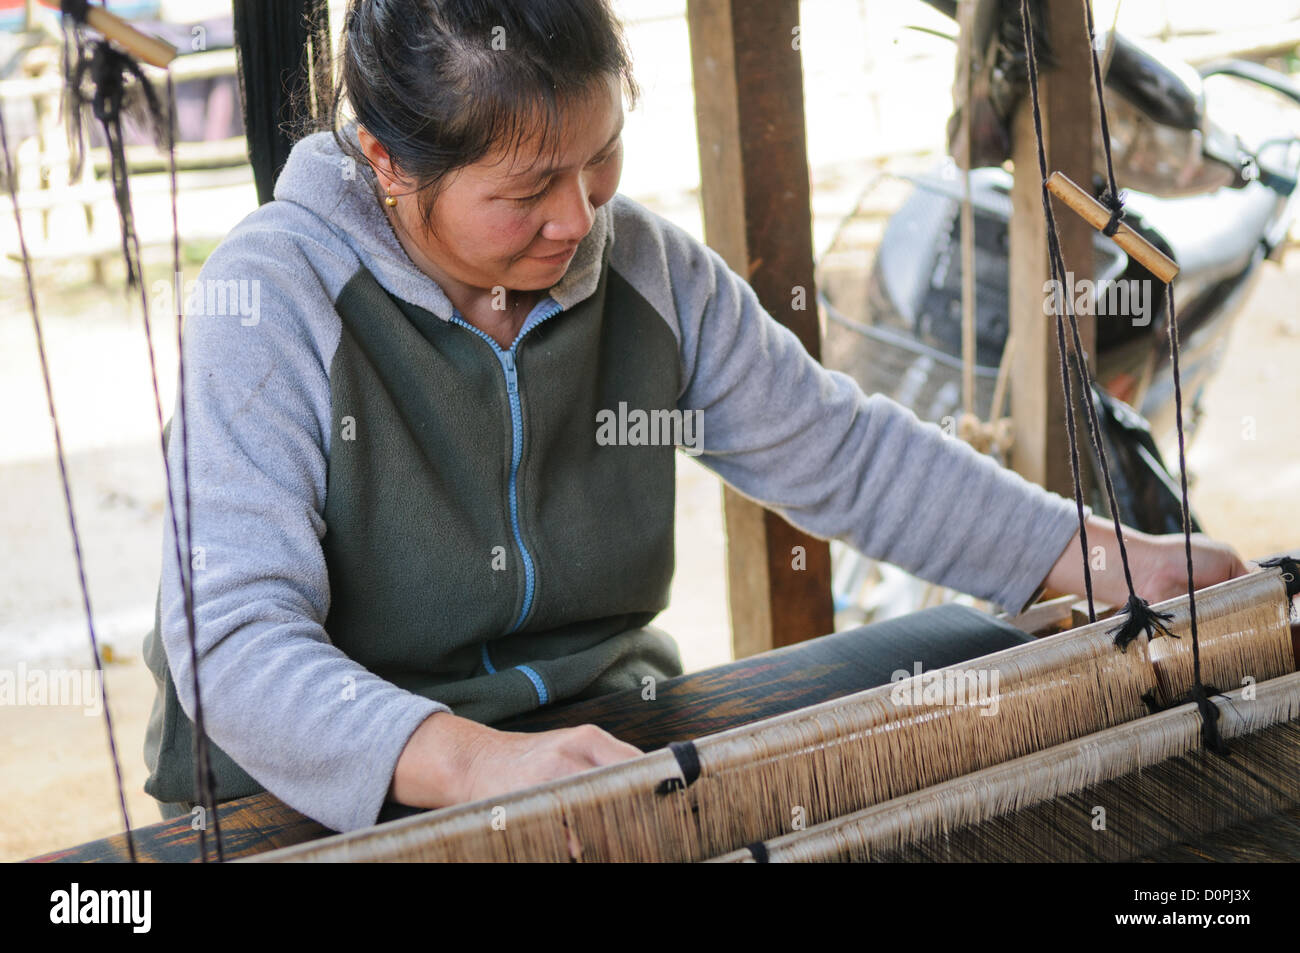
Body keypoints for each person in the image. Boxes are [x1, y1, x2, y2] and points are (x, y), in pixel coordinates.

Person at [142, 0, 1249, 834]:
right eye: (527, 190)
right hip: (318, 792)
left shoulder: (650, 272)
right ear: (386, 163)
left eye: (602, 157)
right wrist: (469, 763)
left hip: (599, 736)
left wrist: (1104, 556)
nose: (577, 218)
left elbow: (841, 452)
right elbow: (232, 639)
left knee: (968, 667)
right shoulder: (277, 296)